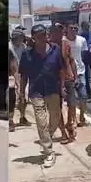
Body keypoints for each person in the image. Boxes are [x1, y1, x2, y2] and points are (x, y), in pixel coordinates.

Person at [17, 25, 66, 168]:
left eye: (44, 34)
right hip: (36, 91)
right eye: (39, 36)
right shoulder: (27, 54)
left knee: (55, 119)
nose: (43, 37)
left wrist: (62, 87)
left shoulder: (56, 50)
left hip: (53, 90)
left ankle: (47, 137)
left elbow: (61, 70)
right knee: (41, 121)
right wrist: (21, 93)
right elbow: (23, 75)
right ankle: (48, 151)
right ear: (33, 38)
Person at [63, 23, 88, 129]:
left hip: (81, 71)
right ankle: (72, 119)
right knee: (71, 100)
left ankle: (82, 116)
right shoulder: (63, 41)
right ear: (66, 29)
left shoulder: (82, 40)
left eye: (75, 28)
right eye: (71, 28)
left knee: (83, 96)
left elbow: (83, 55)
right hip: (68, 73)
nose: (73, 30)